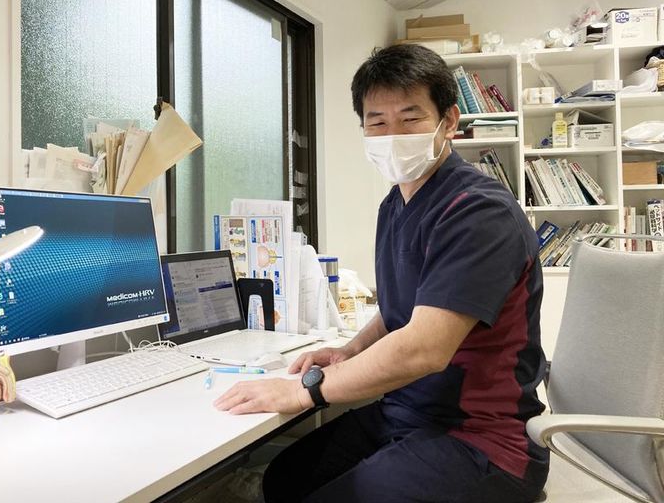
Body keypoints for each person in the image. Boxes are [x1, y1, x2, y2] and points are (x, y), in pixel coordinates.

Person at [214, 44, 549, 502]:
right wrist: (349, 351)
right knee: (284, 479)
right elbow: (401, 310)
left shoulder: (478, 212)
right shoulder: (395, 205)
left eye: (411, 118)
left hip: (481, 437)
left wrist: (305, 393)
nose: (393, 135)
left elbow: (424, 348)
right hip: (407, 410)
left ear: (449, 121)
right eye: (377, 123)